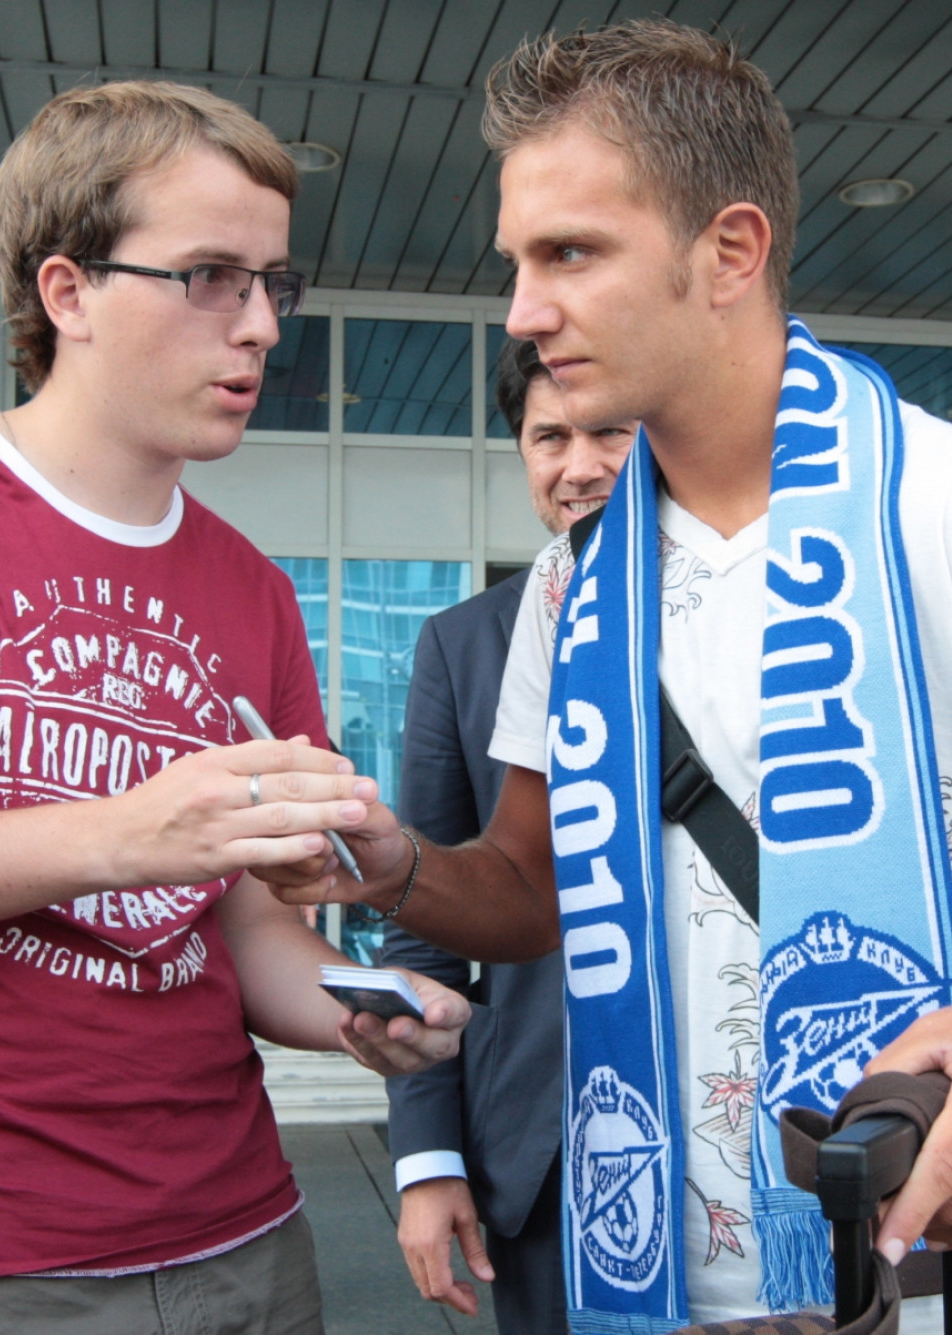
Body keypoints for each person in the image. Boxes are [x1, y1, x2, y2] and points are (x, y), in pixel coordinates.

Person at [253, 21, 952, 1335]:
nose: (520, 309)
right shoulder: (572, 580)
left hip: (944, 1281)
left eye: (570, 251)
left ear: (730, 251)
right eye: (517, 258)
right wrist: (393, 864)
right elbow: (529, 889)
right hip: (643, 1286)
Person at [0, 81, 467, 1335]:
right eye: (213, 276)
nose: (265, 325)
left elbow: (246, 937)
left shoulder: (255, 593)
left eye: (276, 280)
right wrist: (120, 833)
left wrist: (360, 1008)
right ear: (67, 292)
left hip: (243, 1241)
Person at [380, 338, 635, 1331]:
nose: (580, 465)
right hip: (544, 1158)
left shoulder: (766, 617)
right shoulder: (465, 644)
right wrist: (426, 1159)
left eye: (611, 429)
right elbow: (423, 924)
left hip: (745, 1129)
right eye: (548, 438)